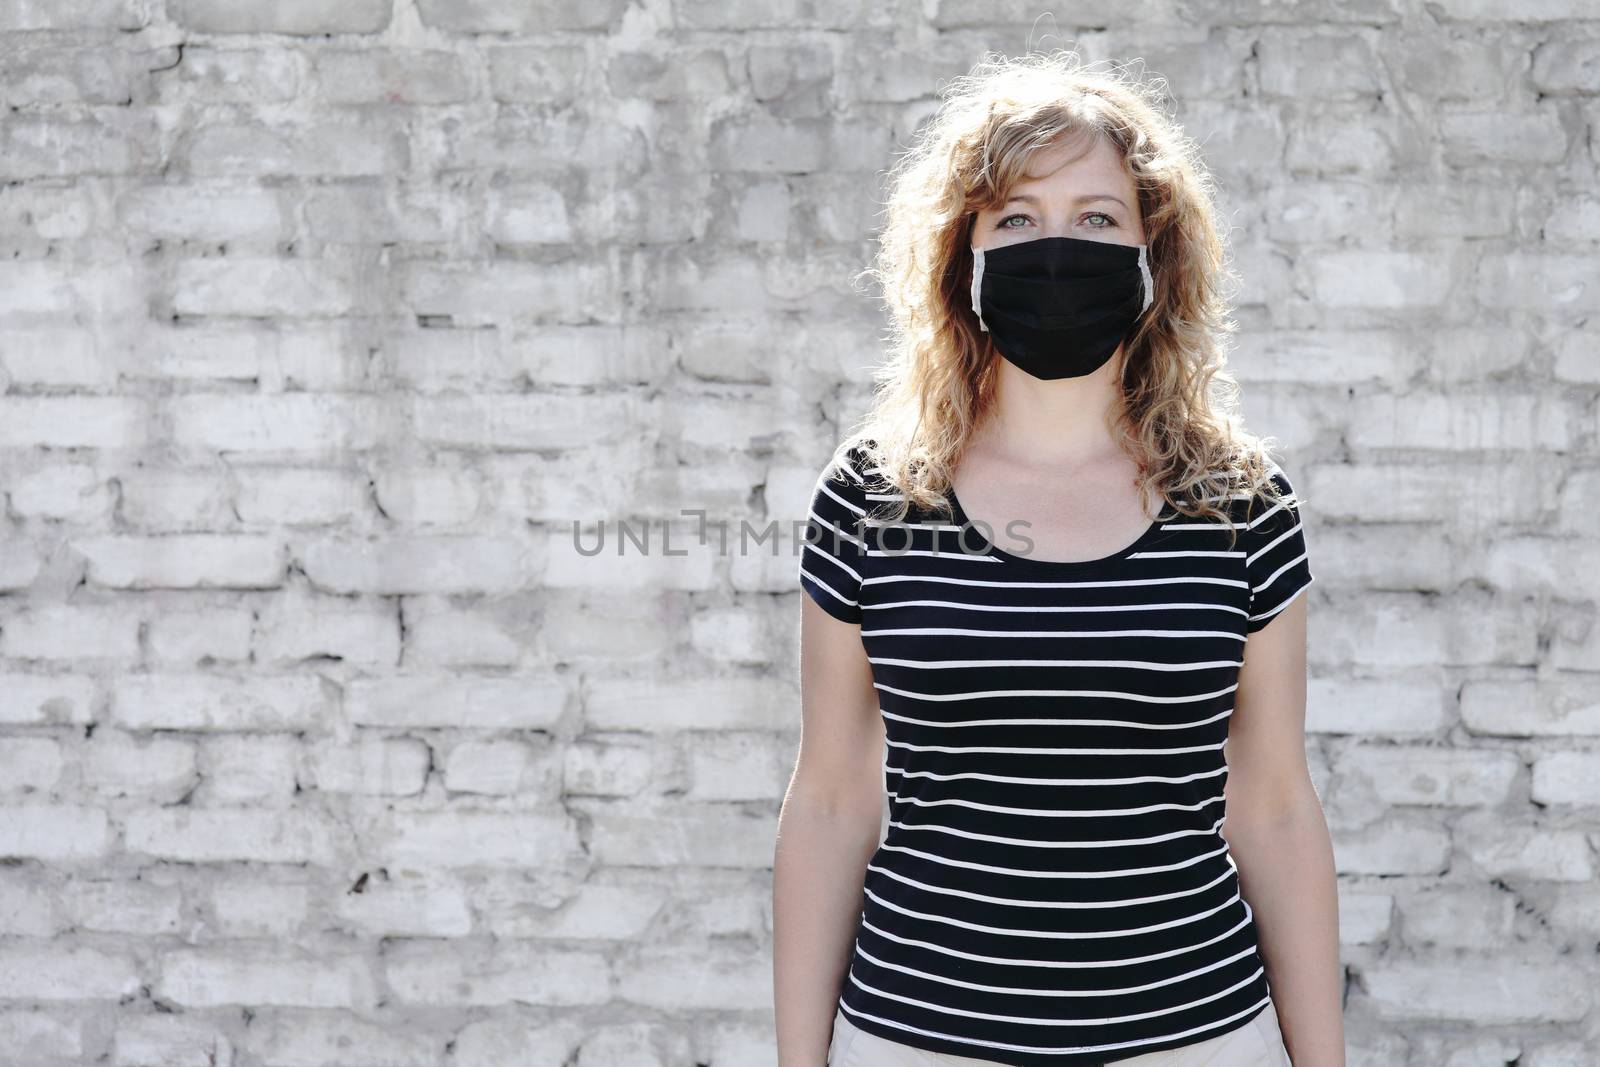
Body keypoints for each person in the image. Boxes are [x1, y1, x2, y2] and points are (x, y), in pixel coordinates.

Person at [773, 52, 1345, 1067]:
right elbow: (829, 797)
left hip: (1197, 1035)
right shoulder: (871, 496)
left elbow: (1273, 805)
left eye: (1095, 219)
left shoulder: (1241, 501)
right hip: (917, 1035)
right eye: (1016, 219)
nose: (1055, 247)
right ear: (963, 256)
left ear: (1153, 254)